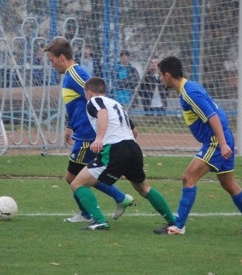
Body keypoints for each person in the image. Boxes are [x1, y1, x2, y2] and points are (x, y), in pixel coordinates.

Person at [154, 56, 242, 235]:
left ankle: (178, 226)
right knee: (228, 183)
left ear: (167, 75)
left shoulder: (190, 93)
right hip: (222, 138)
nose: (159, 78)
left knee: (188, 177)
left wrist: (222, 144)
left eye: (160, 75)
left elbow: (212, 116)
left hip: (216, 140)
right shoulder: (189, 89)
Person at [44, 38, 134, 223]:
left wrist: (126, 124)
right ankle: (116, 200)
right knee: (84, 176)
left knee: (73, 178)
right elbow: (78, 104)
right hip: (81, 133)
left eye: (52, 60)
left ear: (61, 57)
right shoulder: (70, 76)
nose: (51, 65)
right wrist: (70, 126)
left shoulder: (76, 75)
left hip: (87, 137)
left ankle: (92, 212)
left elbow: (100, 101)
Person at [69, 76, 177, 230]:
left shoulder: (94, 101)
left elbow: (102, 114)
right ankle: (173, 222)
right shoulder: (117, 104)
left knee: (77, 183)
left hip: (114, 149)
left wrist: (99, 139)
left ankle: (99, 221)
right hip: (133, 148)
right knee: (144, 188)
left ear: (89, 92)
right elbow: (134, 131)